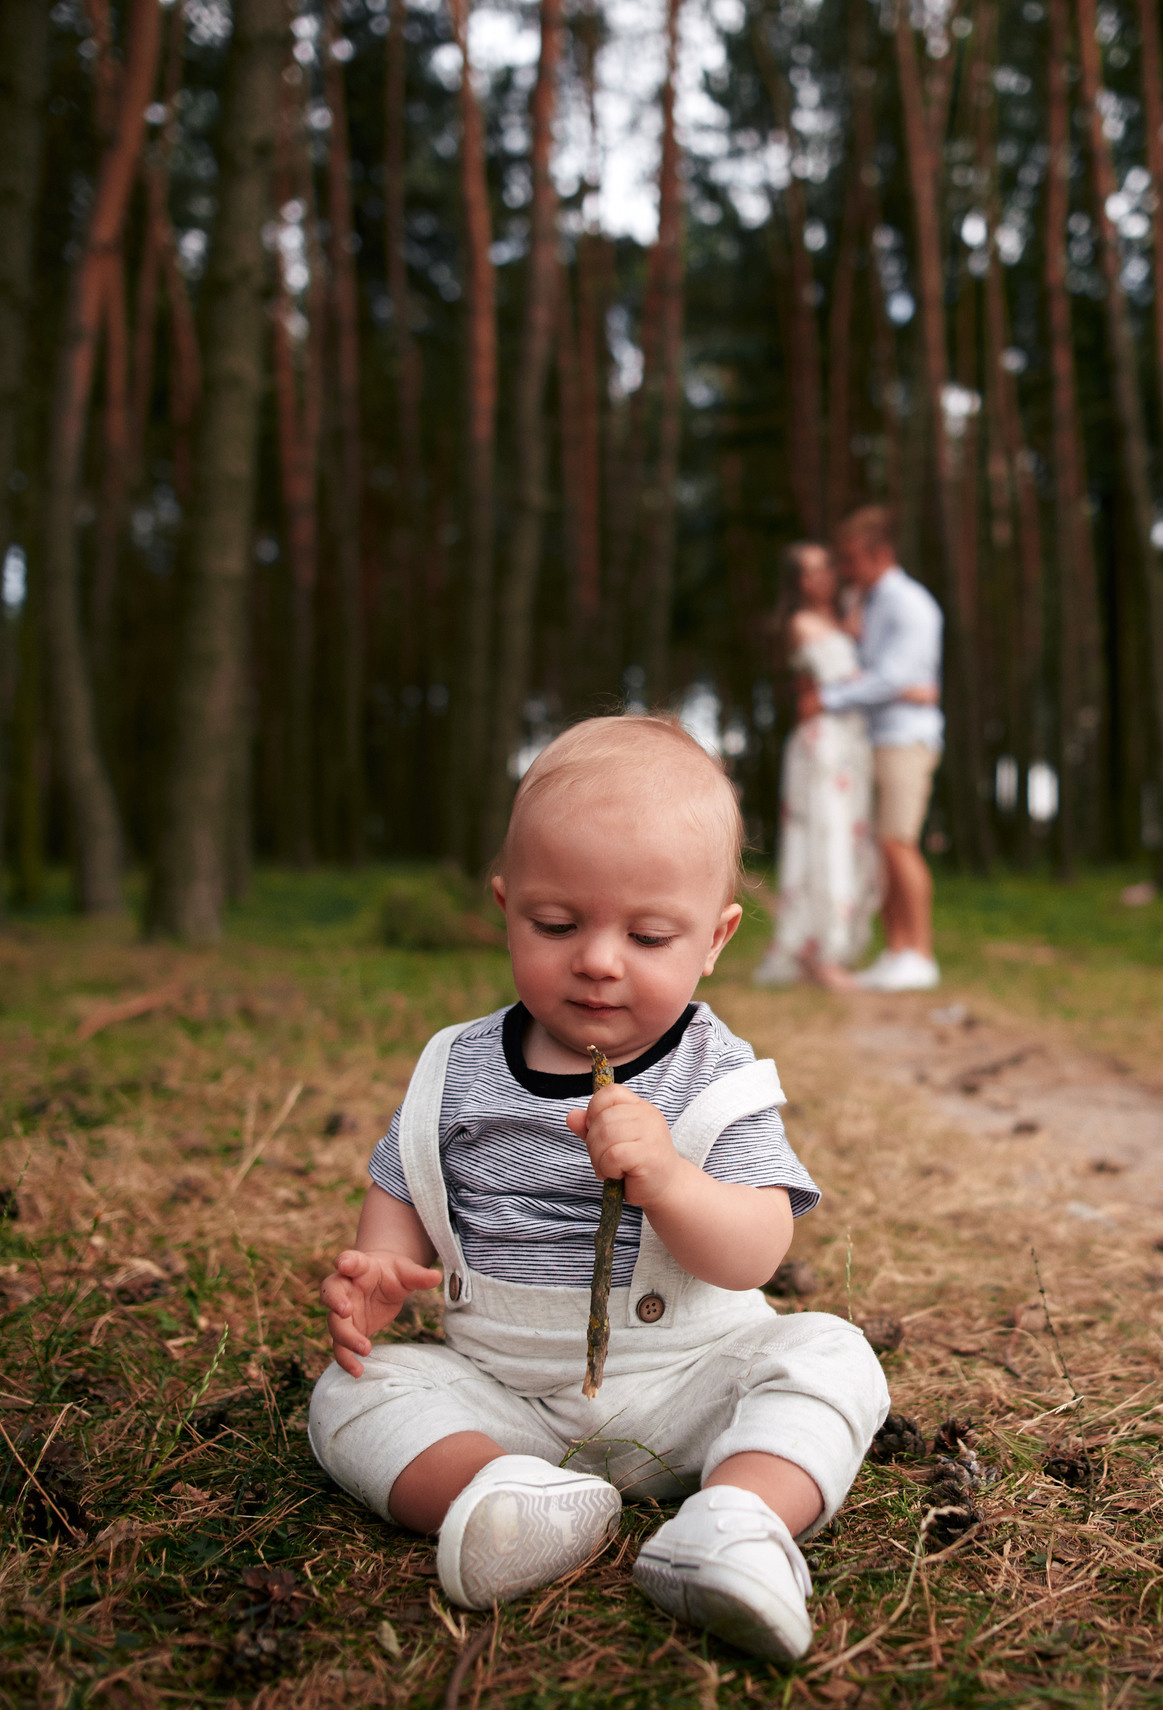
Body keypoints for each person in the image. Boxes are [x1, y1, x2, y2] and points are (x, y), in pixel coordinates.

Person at [308, 714, 889, 1663]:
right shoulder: (458, 1069)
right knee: (352, 1394)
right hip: (503, 1392)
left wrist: (667, 1179)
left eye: (650, 934)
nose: (599, 959)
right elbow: (405, 1180)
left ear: (714, 939)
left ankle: (736, 1520)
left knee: (831, 1359)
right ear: (506, 908)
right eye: (557, 924)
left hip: (689, 1386)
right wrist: (379, 1266)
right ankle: (508, 1497)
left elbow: (757, 1249)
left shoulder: (716, 1074)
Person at [803, 505, 943, 992]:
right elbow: (881, 676)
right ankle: (897, 950)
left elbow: (892, 677)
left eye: (850, 558)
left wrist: (829, 698)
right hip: (872, 739)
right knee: (882, 849)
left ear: (881, 553)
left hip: (905, 739)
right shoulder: (869, 603)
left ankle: (921, 955)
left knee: (898, 842)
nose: (844, 569)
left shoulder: (908, 603)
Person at [755, 543, 881, 989]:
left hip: (852, 741)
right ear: (797, 582)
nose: (820, 577)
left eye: (825, 566)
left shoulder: (845, 618)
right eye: (808, 572)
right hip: (821, 741)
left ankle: (834, 949)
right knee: (824, 841)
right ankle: (823, 954)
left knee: (852, 840)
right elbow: (836, 684)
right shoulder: (803, 624)